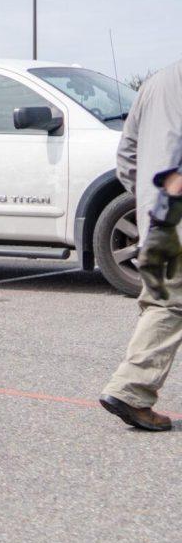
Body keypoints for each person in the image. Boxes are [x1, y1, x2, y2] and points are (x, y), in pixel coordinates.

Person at [100, 63, 182, 431]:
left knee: (162, 299)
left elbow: (126, 156)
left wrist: (150, 198)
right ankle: (131, 389)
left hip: (159, 214)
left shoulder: (155, 82)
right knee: (169, 303)